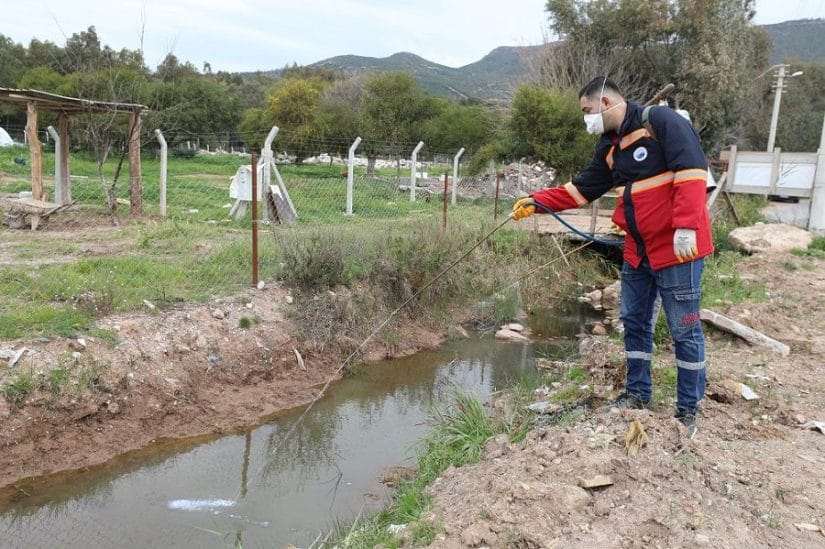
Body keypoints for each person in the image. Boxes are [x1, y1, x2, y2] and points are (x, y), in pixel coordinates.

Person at [512, 77, 712, 437]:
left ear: (604, 102)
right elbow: (581, 190)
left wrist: (686, 226)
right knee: (634, 322)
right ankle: (637, 393)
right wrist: (536, 202)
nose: (586, 118)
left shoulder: (662, 122)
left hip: (679, 247)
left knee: (684, 328)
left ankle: (688, 409)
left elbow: (693, 172)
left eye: (587, 111)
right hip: (637, 250)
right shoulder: (610, 146)